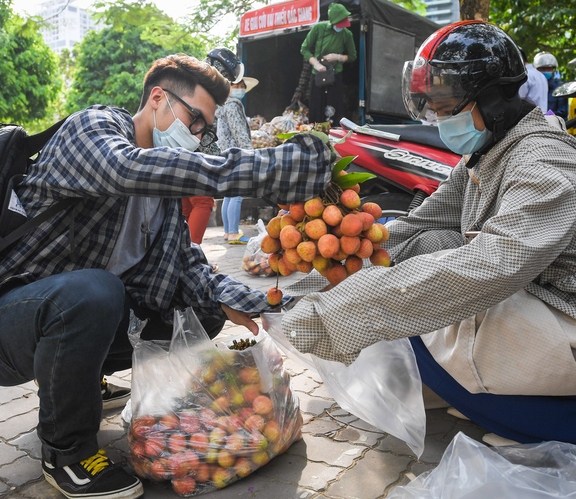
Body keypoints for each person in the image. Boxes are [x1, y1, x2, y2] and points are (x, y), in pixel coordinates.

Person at [279, 21, 576, 454]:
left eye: (447, 105)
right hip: (540, 297)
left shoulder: (546, 163)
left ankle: (565, 423)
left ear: (494, 97)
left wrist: (334, 315)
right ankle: (498, 394)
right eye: (433, 106)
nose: (439, 117)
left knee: (421, 310)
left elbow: (488, 267)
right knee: (423, 255)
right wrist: (324, 272)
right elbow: (415, 227)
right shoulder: (486, 154)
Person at [0, 54, 331, 498]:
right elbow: (127, 171)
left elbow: (190, 266)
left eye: (203, 131)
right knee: (95, 291)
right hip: (12, 317)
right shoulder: (93, 130)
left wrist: (272, 305)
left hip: (60, 318)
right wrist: (265, 171)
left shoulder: (161, 202)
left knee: (203, 310)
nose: (196, 138)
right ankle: (65, 451)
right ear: (158, 98)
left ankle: (76, 380)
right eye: (194, 121)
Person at [203, 48, 258, 245]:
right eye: (240, 84)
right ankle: (233, 233)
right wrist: (251, 155)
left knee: (229, 195)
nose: (242, 88)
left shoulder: (222, 106)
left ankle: (228, 232)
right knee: (236, 194)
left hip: (225, 153)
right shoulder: (233, 105)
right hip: (237, 154)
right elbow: (239, 133)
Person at [300, 2, 357, 125]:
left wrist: (338, 57)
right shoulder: (319, 28)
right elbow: (304, 49)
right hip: (318, 75)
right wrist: (315, 63)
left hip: (335, 75)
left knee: (335, 109)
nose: (341, 27)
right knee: (316, 108)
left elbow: (352, 56)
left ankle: (335, 135)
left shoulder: (347, 34)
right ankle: (315, 134)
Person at [533, 51, 568, 120]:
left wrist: (547, 117)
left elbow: (563, 112)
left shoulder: (560, 87)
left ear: (553, 70)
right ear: (536, 69)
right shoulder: (532, 87)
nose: (546, 71)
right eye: (543, 69)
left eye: (549, 68)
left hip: (554, 126)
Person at [518, 47, 548, 112]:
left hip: (530, 119)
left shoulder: (525, 76)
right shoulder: (541, 75)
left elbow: (518, 102)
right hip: (543, 118)